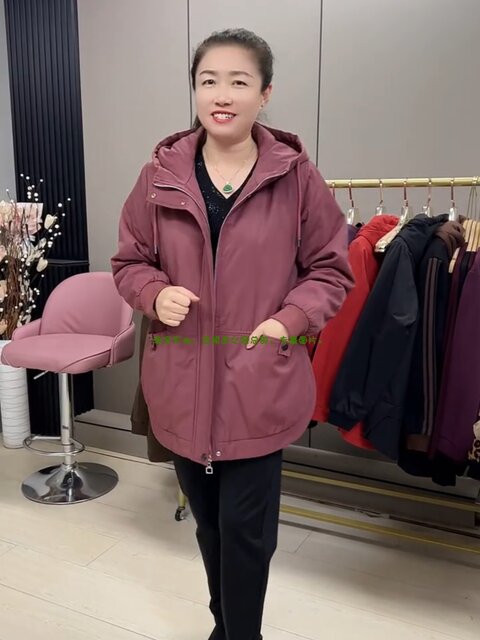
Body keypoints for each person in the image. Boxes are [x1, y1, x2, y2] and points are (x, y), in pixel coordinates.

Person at [111, 27, 354, 640]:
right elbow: (129, 262)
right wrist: (153, 293)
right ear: (194, 89)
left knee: (248, 534)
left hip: (257, 385)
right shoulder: (158, 176)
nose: (222, 94)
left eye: (239, 82)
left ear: (265, 93)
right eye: (208, 80)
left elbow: (331, 270)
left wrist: (288, 320)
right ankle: (226, 628)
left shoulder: (297, 179)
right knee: (210, 526)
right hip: (180, 385)